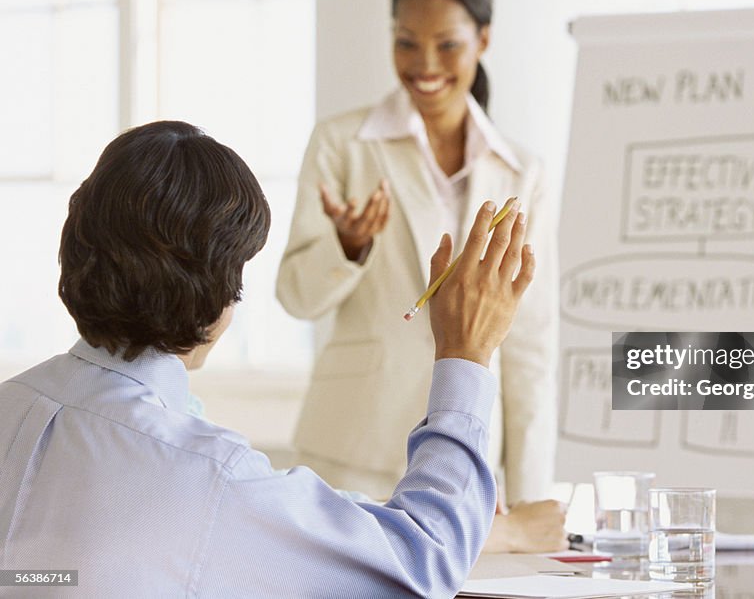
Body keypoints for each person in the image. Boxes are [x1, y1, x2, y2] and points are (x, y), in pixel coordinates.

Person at [0, 121, 532, 597]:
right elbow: (427, 562)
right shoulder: (208, 477)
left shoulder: (14, 404)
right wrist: (467, 353)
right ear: (219, 288)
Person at [276, 0, 562, 550]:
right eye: (406, 43)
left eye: (446, 45)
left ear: (483, 40)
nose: (424, 65)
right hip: (354, 446)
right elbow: (295, 296)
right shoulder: (342, 144)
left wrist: (530, 493)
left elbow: (530, 340)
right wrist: (349, 245)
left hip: (468, 451)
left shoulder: (520, 170)